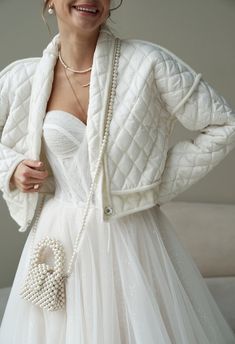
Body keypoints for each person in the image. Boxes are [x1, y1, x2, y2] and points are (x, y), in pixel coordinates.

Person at [0, 0, 235, 342]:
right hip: (59, 235)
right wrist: (12, 168)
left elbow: (224, 124)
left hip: (135, 236)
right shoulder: (24, 77)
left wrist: (150, 186)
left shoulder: (148, 63)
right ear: (49, 1)